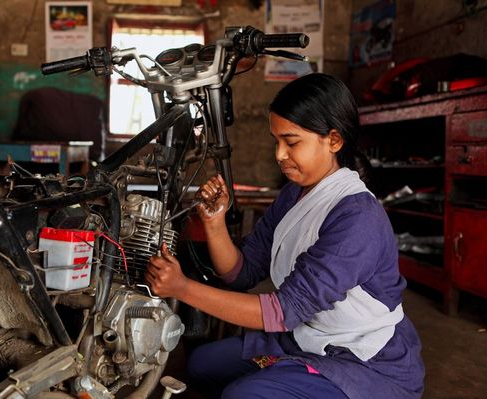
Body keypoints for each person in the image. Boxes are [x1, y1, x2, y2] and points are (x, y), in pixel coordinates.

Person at [146, 73, 425, 399]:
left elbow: (283, 311)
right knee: (202, 364)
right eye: (276, 140)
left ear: (333, 141)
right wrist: (214, 223)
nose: (279, 154)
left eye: (291, 142)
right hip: (308, 336)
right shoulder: (294, 196)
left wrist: (182, 288)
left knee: (242, 394)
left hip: (363, 355)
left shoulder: (358, 218)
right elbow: (242, 272)